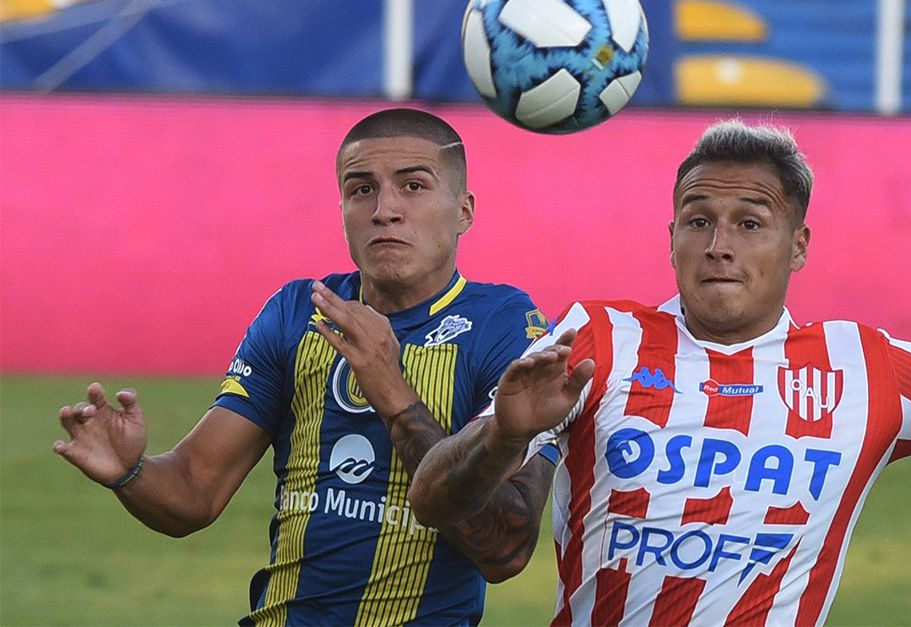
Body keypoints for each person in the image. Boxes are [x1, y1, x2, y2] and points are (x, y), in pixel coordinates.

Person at [405, 119, 911, 625]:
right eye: (698, 220)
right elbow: (436, 500)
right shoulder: (597, 340)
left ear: (799, 245)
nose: (719, 244)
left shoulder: (869, 368)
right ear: (671, 235)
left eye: (750, 222)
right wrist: (502, 436)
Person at [52, 108, 556, 626]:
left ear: (463, 211)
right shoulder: (298, 313)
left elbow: (505, 550)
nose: (385, 210)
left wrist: (391, 391)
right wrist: (131, 472)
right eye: (361, 190)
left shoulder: (507, 329)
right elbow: (195, 489)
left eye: (413, 186)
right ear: (342, 210)